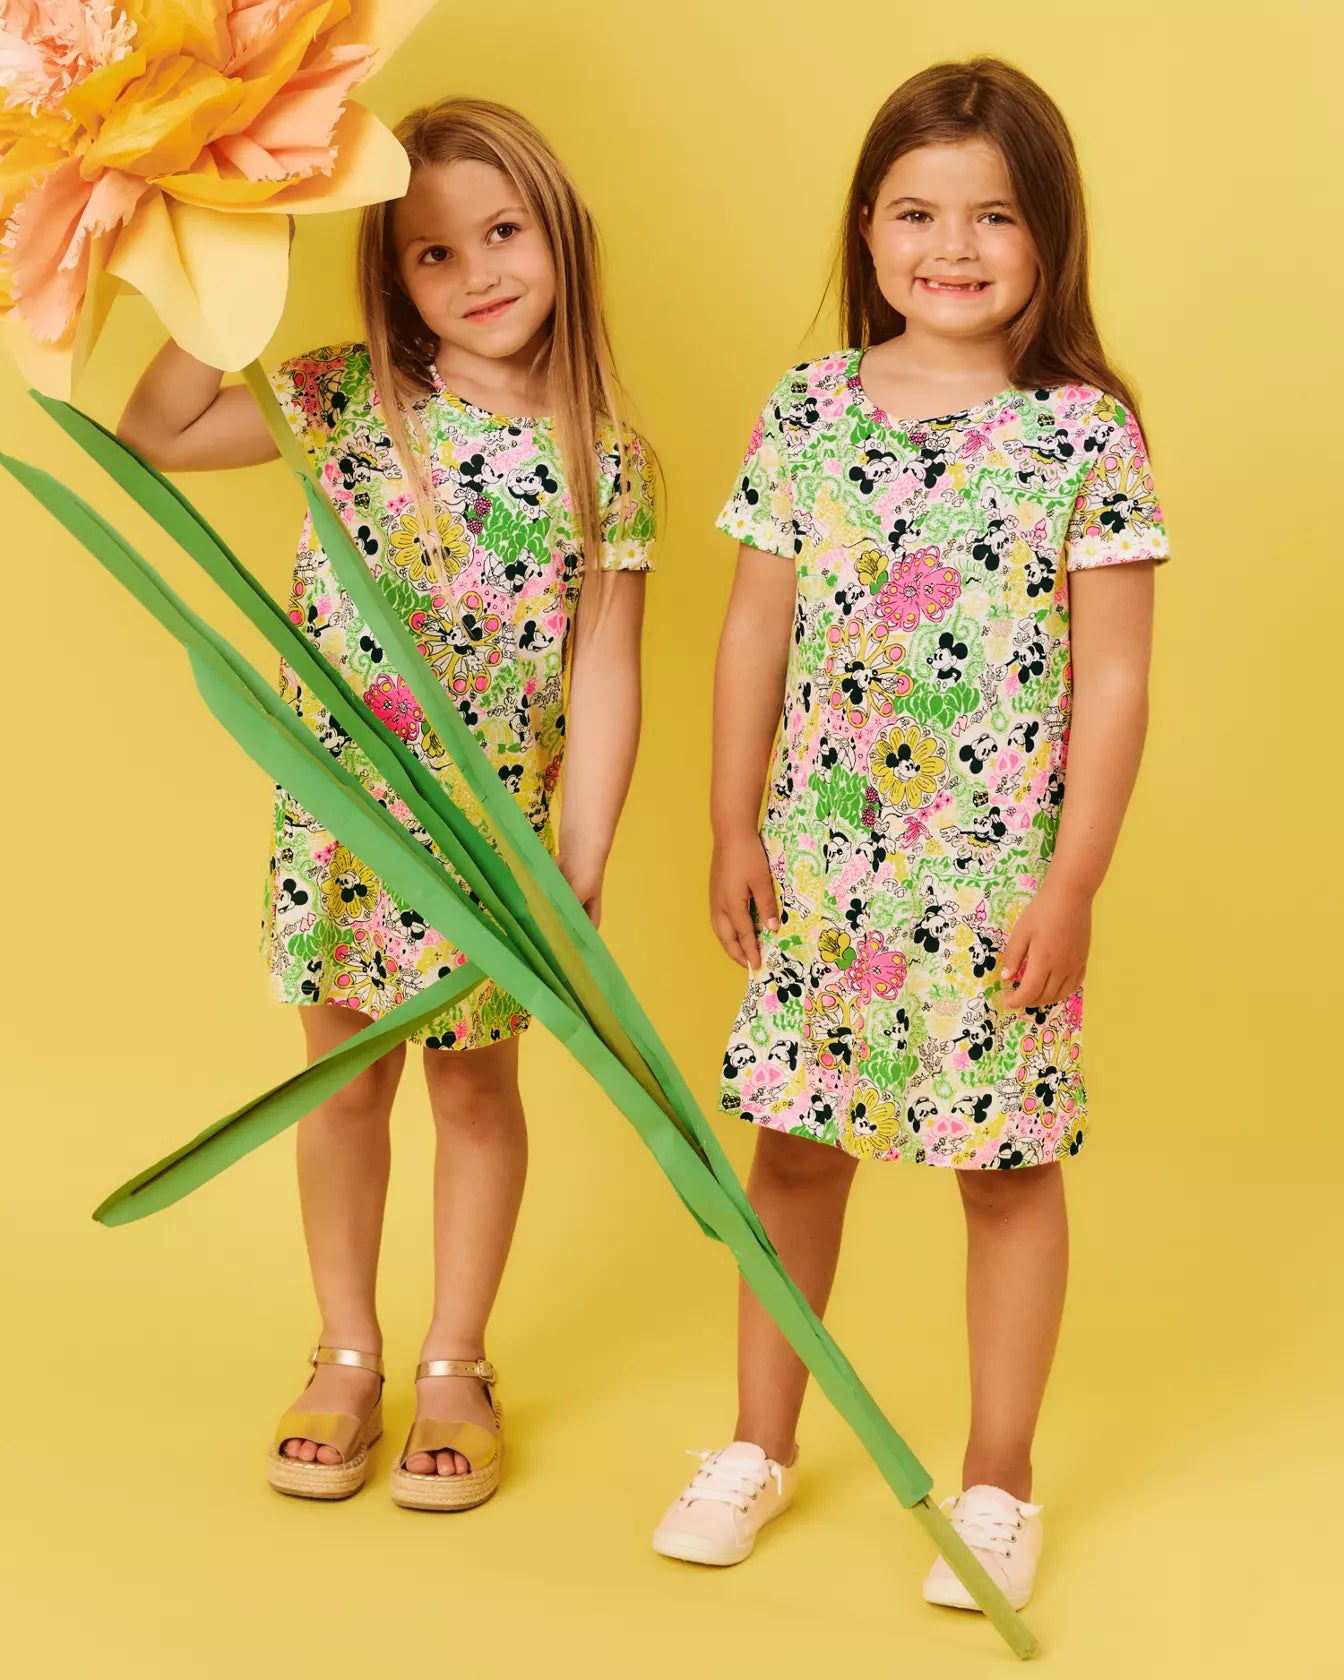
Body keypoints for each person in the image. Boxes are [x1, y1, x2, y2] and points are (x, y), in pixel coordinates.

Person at [652, 57, 1166, 1611]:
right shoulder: (810, 409)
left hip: (998, 888)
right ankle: (759, 1443)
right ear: (868, 228)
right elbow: (755, 628)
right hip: (826, 871)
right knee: (795, 1149)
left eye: (993, 215)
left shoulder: (1084, 433)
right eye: (917, 213)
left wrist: (1074, 881)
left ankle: (998, 1482)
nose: (953, 246)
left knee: (1004, 1169)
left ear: (1048, 232)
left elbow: (1116, 678)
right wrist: (731, 821)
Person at [119, 97, 655, 1511]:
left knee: (477, 1088)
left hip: (492, 848)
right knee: (343, 1079)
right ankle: (345, 1348)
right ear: (392, 275)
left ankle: (455, 1360)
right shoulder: (348, 401)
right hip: (345, 825)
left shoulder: (605, 457)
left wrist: (581, 856)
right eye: (434, 252)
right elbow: (155, 429)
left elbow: (607, 670)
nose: (478, 272)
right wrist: (245, 261)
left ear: (559, 236)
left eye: (504, 232)